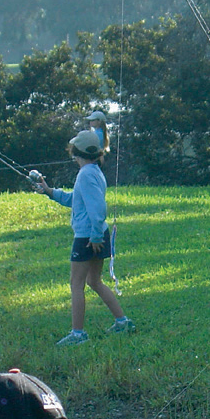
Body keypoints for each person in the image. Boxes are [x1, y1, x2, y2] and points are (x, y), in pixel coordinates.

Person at [34, 130, 135, 346]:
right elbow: (76, 200)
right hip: (96, 234)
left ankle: (78, 334)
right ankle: (122, 321)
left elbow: (97, 208)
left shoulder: (86, 174)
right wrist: (50, 191)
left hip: (88, 237)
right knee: (94, 281)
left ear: (76, 152)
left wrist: (95, 236)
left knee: (76, 284)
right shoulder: (94, 171)